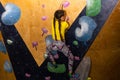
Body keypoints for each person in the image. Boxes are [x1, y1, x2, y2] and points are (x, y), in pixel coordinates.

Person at [45, 6, 75, 78]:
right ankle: (70, 73)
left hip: (54, 44)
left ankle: (54, 62)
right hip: (61, 46)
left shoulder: (53, 21)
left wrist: (61, 7)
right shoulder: (64, 24)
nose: (64, 16)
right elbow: (66, 26)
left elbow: (56, 15)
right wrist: (66, 20)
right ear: (61, 18)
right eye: (63, 16)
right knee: (71, 57)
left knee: (47, 51)